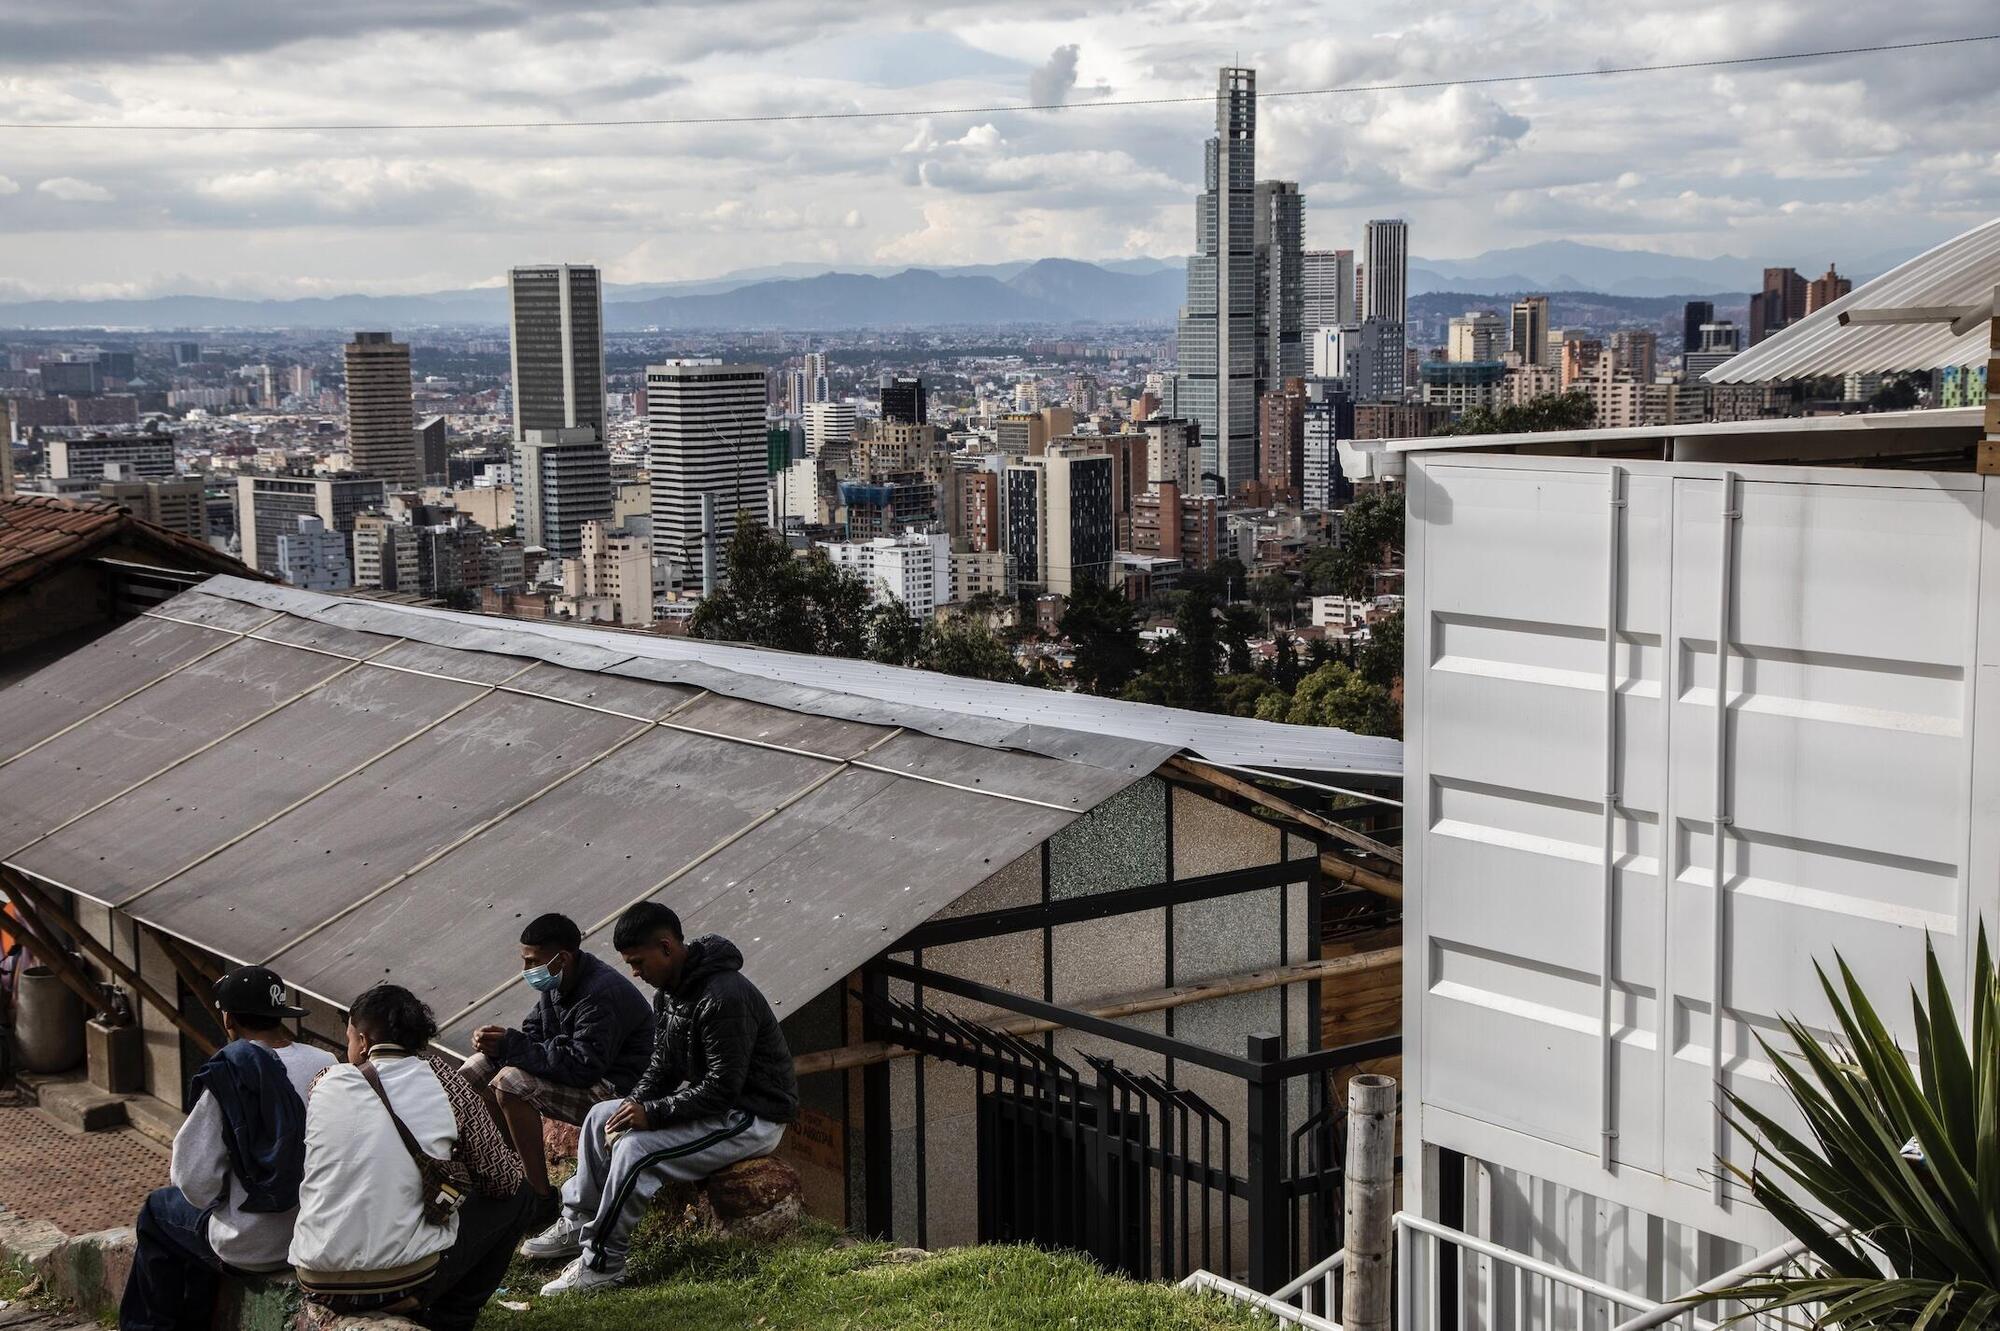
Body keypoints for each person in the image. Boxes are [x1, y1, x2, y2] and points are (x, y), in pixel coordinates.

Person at [524, 903, 798, 1297]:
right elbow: (662, 1068)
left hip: (752, 1116)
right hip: (713, 1105)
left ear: (667, 948)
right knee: (604, 1114)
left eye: (638, 962)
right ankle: (577, 1221)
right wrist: (631, 1105)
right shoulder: (668, 995)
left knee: (638, 1151)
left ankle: (603, 1264)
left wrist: (652, 1114)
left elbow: (723, 1088)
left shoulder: (725, 997)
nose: (636, 973)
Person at [289, 984, 533, 1331]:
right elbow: (502, 1179)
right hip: (401, 1278)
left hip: (316, 1275)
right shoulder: (446, 1083)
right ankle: (451, 1317)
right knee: (520, 1196)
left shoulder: (324, 1081)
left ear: (362, 1040)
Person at [120, 966, 334, 1331]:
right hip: (317, 1237)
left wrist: (229, 1198)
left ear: (228, 1018)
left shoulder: (229, 1072)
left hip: (254, 1247)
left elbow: (193, 1181)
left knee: (158, 1212)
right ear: (281, 1013)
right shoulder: (327, 1065)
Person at [458, 912, 653, 1211]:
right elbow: (535, 1033)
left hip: (617, 1093)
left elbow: (582, 1067)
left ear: (562, 958)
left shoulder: (600, 993)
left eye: (532, 961)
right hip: (582, 1074)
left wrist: (512, 1044)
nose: (526, 970)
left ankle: (539, 1198)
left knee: (510, 1083)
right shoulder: (558, 984)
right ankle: (509, 1176)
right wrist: (496, 1045)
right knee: (475, 1069)